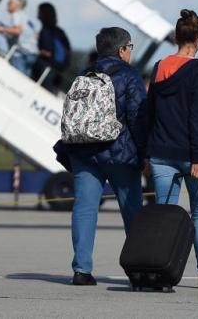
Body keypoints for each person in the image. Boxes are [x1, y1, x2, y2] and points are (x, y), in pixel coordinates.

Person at [55, 27, 148, 286]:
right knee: (132, 212)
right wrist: (144, 155)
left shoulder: (85, 73)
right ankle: (138, 269)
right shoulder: (130, 75)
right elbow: (139, 118)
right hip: (120, 153)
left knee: (84, 209)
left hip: (84, 153)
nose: (131, 51)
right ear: (121, 50)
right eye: (130, 47)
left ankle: (81, 269)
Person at [146, 9, 198, 289]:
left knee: (165, 216)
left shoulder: (159, 67)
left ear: (176, 37)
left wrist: (147, 149)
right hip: (193, 156)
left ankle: (161, 274)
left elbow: (150, 111)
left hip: (161, 154)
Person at [0, 0, 39, 77]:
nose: (7, 4)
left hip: (21, 54)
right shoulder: (26, 17)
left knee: (16, 78)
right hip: (32, 55)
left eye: (10, 3)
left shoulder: (17, 15)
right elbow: (34, 35)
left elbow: (18, 31)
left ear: (16, 5)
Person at [32, 2, 71, 94]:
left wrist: (35, 51)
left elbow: (47, 52)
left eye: (39, 11)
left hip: (45, 69)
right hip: (57, 71)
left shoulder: (46, 30)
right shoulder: (60, 32)